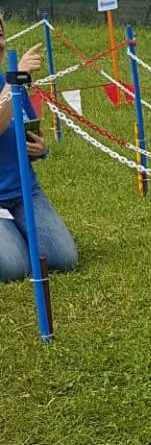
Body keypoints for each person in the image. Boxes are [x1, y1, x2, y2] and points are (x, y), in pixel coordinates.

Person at [0, 20, 78, 283]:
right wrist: (15, 80)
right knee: (14, 268)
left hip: (25, 192)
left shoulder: (11, 83)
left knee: (63, 258)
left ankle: (15, 235)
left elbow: (30, 130)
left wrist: (41, 148)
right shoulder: (14, 83)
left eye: (0, 35)